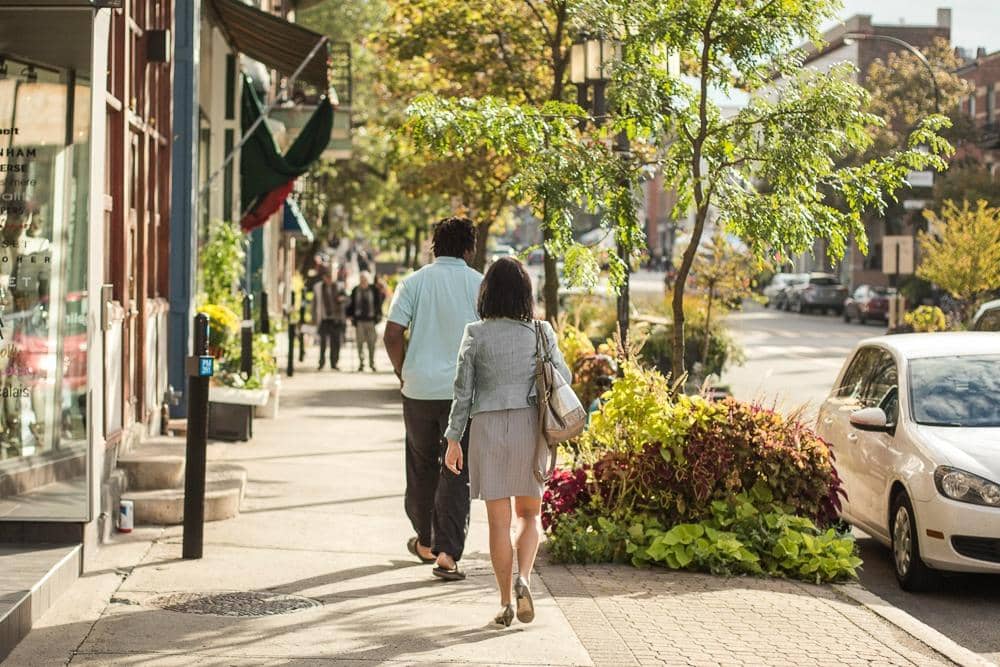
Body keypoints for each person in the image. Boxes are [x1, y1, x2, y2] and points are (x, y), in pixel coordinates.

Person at [443, 256, 571, 628]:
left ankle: (503, 603)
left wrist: (454, 439)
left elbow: (462, 392)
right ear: (525, 293)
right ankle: (525, 579)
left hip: (486, 427)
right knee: (529, 515)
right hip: (530, 427)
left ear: (488, 293)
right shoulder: (540, 331)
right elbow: (562, 376)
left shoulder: (475, 333)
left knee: (498, 522)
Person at [383, 216, 482, 581]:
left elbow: (392, 334)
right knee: (455, 471)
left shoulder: (414, 282)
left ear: (434, 245)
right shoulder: (480, 285)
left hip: (419, 389)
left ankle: (425, 539)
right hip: (463, 394)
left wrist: (402, 370)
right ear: (470, 248)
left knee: (421, 466)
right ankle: (447, 553)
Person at [347, 271, 384, 372]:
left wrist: (379, 315)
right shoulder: (355, 290)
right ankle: (361, 363)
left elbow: (379, 302)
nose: (363, 281)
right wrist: (349, 315)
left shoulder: (374, 290)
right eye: (361, 279)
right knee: (359, 343)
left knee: (372, 343)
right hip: (359, 321)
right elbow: (350, 304)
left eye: (365, 280)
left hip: (371, 320)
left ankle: (372, 363)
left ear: (368, 280)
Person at [313, 268, 347, 370]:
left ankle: (334, 363)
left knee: (335, 343)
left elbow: (347, 299)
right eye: (327, 277)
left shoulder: (339, 286)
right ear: (324, 278)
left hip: (336, 319)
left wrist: (343, 299)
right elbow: (314, 303)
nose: (329, 279)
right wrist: (313, 317)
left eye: (330, 277)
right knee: (322, 342)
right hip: (324, 319)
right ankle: (321, 363)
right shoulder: (318, 287)